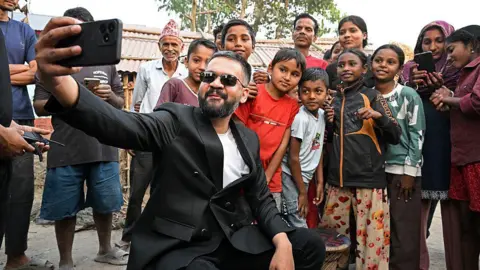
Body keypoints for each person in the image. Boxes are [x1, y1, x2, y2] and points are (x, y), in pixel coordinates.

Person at [34, 16, 326, 270]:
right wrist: (56, 81)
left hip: (230, 242)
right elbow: (118, 124)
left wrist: (283, 243)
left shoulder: (247, 139)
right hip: (178, 246)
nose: (216, 84)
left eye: (228, 80)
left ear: (242, 93)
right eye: (210, 76)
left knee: (309, 244)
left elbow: (261, 201)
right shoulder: (174, 120)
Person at [32, 7, 128, 269]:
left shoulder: (106, 62)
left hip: (103, 145)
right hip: (67, 147)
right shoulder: (53, 62)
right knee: (64, 208)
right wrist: (67, 98)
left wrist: (109, 97)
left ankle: (105, 250)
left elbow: (120, 103)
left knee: (105, 204)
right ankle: (66, 261)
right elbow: (38, 104)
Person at [320, 49, 401, 269]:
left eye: (352, 64)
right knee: (333, 243)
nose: (346, 68)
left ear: (364, 69)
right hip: (337, 182)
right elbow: (330, 140)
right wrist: (328, 122)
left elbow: (396, 134)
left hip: (369, 182)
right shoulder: (334, 100)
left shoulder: (373, 97)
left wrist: (379, 117)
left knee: (372, 245)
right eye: (342, 64)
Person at [121, 18, 188, 249]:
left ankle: (160, 236)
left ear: (182, 47)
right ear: (159, 47)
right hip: (149, 137)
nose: (170, 48)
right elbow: (136, 104)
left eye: (174, 44)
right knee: (138, 191)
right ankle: (128, 236)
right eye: (165, 44)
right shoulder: (147, 69)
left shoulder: (187, 73)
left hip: (177, 140)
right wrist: (132, 134)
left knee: (169, 190)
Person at [400, 20, 461, 270]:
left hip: (447, 143)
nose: (433, 46)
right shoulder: (408, 70)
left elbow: (463, 103)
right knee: (416, 212)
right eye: (427, 41)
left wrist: (443, 89)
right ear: (420, 44)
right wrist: (412, 84)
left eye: (439, 40)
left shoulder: (460, 69)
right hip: (416, 144)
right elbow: (398, 103)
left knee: (455, 214)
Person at [0, 0, 52, 269]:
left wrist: (5, 73)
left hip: (20, 115)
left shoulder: (24, 31)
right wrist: (21, 69)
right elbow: (27, 70)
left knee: (20, 190)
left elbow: (36, 72)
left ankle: (16, 256)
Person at [372, 44, 426, 270]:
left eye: (390, 62)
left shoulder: (408, 95)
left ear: (400, 68)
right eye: (378, 60)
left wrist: (409, 172)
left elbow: (418, 134)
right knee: (379, 231)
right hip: (374, 172)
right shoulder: (366, 94)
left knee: (404, 233)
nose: (383, 65)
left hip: (401, 172)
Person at [430, 25, 480, 270]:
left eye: (451, 49)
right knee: (467, 226)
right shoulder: (462, 76)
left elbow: (477, 103)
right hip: (462, 159)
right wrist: (449, 98)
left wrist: (447, 99)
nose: (447, 55)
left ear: (471, 45)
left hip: (476, 159)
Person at [234, 48, 303, 210]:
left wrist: (267, 177)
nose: (287, 78)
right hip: (243, 172)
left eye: (295, 74)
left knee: (269, 221)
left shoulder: (292, 105)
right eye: (283, 70)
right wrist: (251, 173)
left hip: (271, 180)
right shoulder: (254, 93)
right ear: (270, 68)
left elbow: (282, 145)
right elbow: (238, 132)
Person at [281, 68, 327, 228]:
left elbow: (318, 147)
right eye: (306, 91)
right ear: (299, 93)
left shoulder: (322, 115)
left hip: (305, 177)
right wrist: (302, 193)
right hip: (290, 175)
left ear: (327, 94)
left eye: (318, 91)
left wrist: (320, 181)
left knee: (298, 218)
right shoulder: (300, 119)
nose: (312, 96)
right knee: (297, 219)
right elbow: (293, 158)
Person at [156, 38, 218, 107]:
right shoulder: (174, 86)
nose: (202, 67)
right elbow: (160, 115)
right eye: (196, 60)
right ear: (186, 62)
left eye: (208, 62)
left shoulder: (213, 92)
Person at [221, 19, 270, 97]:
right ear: (222, 46)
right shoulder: (212, 77)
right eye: (231, 39)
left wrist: (269, 84)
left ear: (253, 46)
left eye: (244, 39)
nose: (238, 44)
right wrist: (237, 92)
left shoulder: (260, 78)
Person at [326, 16, 373, 90]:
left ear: (364, 35)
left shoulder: (374, 64)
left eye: (353, 31)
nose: (346, 35)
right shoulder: (331, 69)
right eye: (342, 33)